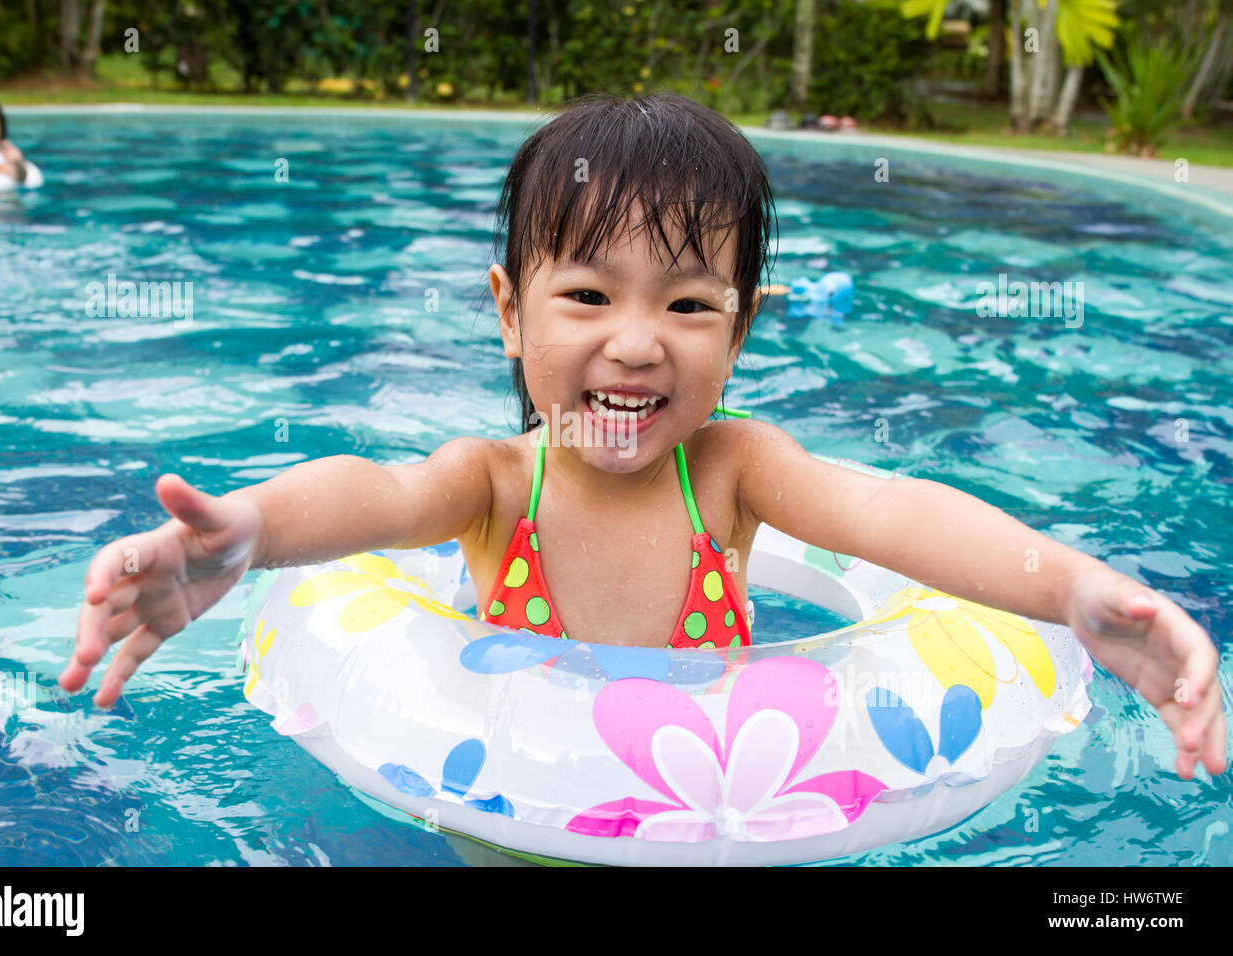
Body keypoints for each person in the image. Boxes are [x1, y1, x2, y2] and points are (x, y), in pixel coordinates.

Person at [61, 91, 1226, 782]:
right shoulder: (492, 482)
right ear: (508, 310)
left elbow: (889, 512)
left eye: (687, 304)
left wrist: (1070, 587)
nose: (635, 342)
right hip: (504, 818)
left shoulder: (733, 470)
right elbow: (375, 491)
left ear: (741, 328)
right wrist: (248, 529)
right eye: (585, 296)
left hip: (722, 816)